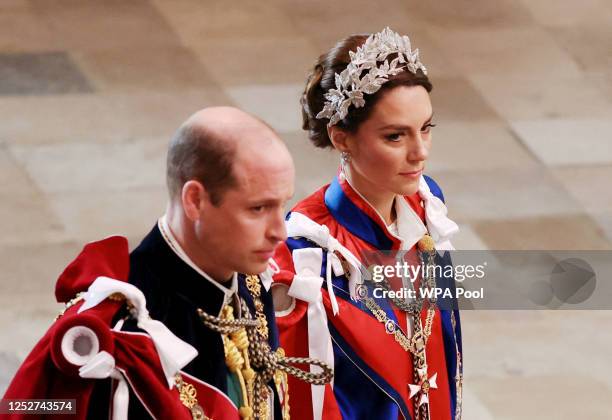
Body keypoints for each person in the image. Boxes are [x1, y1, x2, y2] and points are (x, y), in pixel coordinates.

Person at [3, 107, 332, 419]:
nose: (279, 231)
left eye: (282, 205)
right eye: (258, 209)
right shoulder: (121, 338)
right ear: (195, 201)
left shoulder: (248, 281)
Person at [270, 28, 463, 420]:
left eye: (426, 128)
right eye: (396, 137)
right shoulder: (306, 255)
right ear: (342, 138)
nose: (420, 153)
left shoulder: (427, 205)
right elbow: (305, 401)